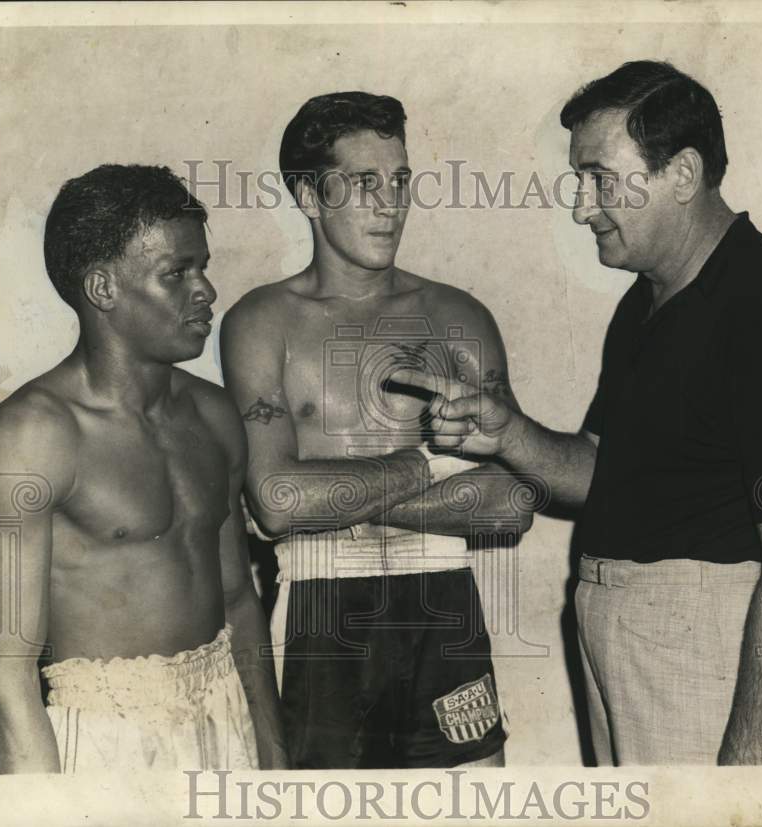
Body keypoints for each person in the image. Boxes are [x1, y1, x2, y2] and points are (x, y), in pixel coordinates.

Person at [393, 61, 762, 765]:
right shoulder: (647, 304)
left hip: (708, 656)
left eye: (600, 178)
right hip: (629, 650)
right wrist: (510, 433)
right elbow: (606, 473)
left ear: (683, 172)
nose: (582, 207)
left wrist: (745, 784)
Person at [221, 91, 533, 769]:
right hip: (317, 605)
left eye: (398, 182)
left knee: (473, 804)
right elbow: (276, 503)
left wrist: (327, 498)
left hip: (443, 599)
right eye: (363, 184)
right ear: (308, 195)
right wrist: (434, 466)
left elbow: (513, 500)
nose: (388, 205)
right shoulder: (260, 323)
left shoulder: (458, 317)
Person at [0, 164, 286, 773]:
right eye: (176, 274)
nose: (206, 291)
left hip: (225, 722)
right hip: (101, 746)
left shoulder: (215, 415)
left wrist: (273, 763)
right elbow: (1, 677)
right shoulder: (30, 436)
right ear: (103, 289)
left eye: (204, 267)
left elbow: (239, 600)